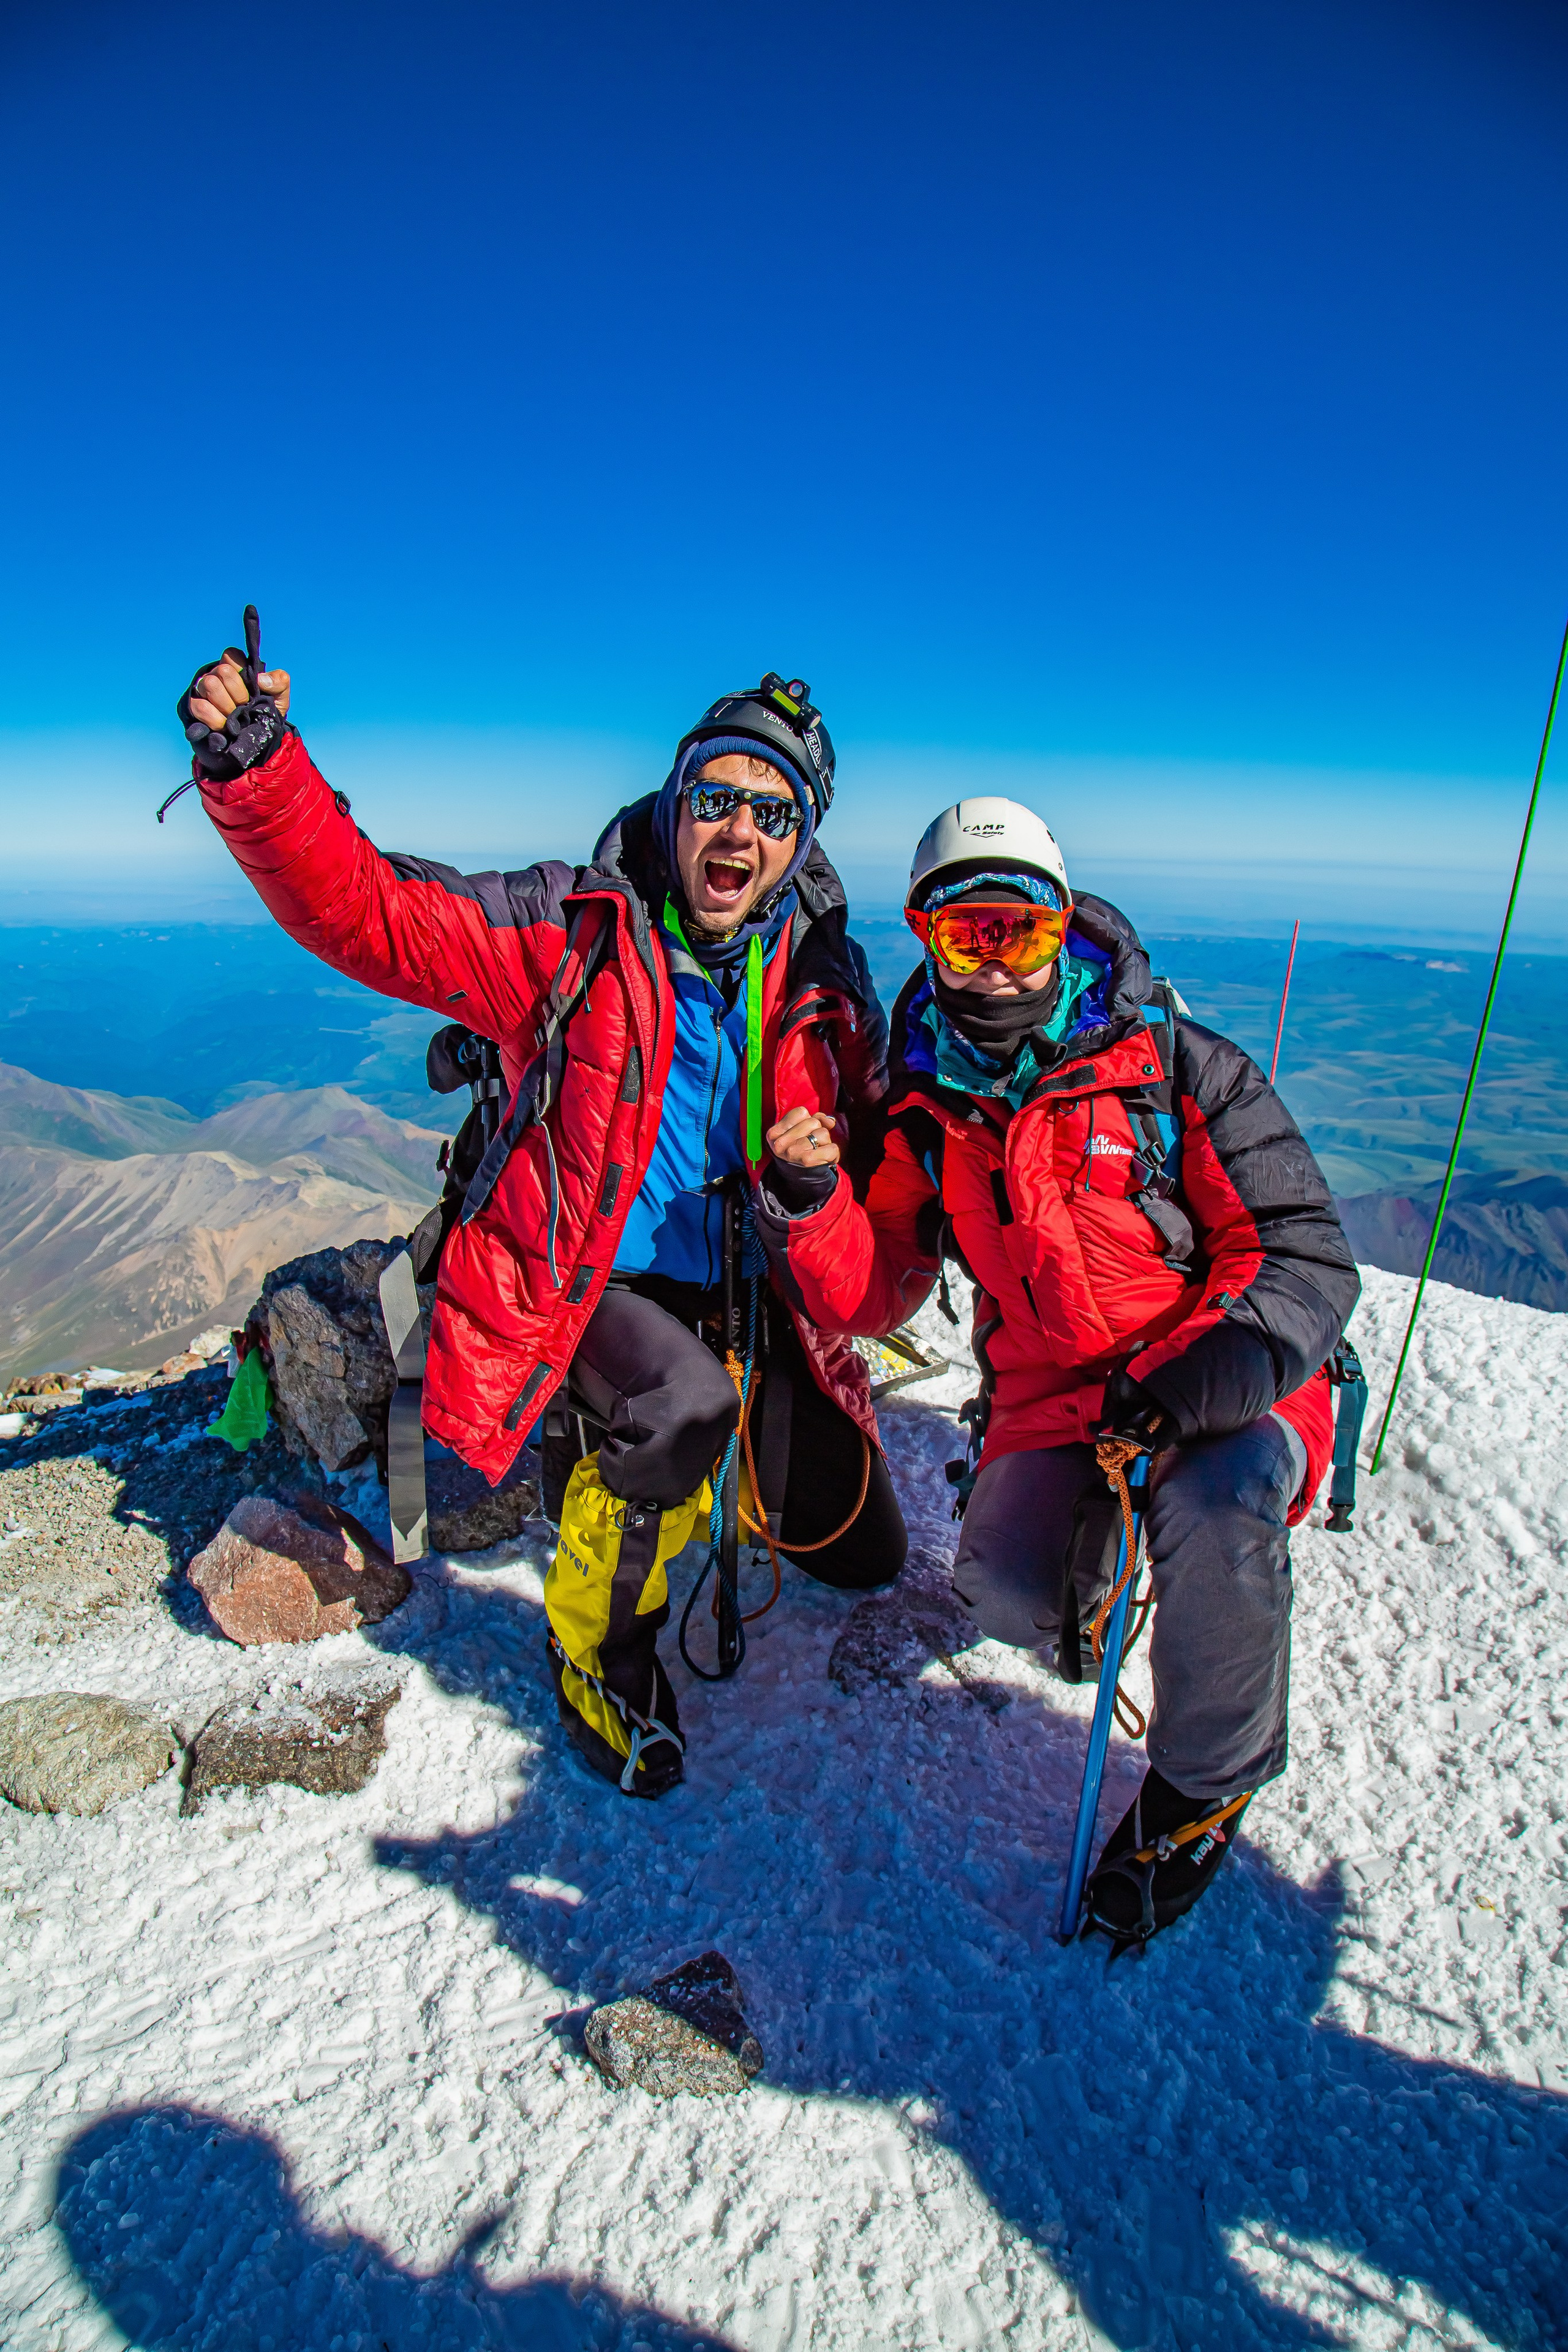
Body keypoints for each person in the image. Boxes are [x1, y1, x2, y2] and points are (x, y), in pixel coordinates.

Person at [178, 645, 907, 1798]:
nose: (739, 832)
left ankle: (681, 1472)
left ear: (801, 842)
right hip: (593, 1280)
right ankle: (596, 1651)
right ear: (676, 803)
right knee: (682, 1409)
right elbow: (371, 913)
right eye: (717, 796)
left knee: (865, 1554)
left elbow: (892, 1138)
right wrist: (261, 772)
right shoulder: (570, 929)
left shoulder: (822, 977)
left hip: (749, 1291)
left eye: (775, 812)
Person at [757, 797, 1360, 1948]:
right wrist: (813, 1204)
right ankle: (1118, 1553)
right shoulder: (928, 1109)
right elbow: (873, 1291)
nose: (991, 967)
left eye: (1019, 933)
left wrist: (1194, 1383)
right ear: (925, 937)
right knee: (1004, 1594)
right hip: (1054, 1399)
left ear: (1063, 924)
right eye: (961, 935)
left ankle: (1202, 1786)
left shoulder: (1181, 1071)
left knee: (1213, 1500)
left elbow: (1304, 1257)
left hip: (1228, 1378)